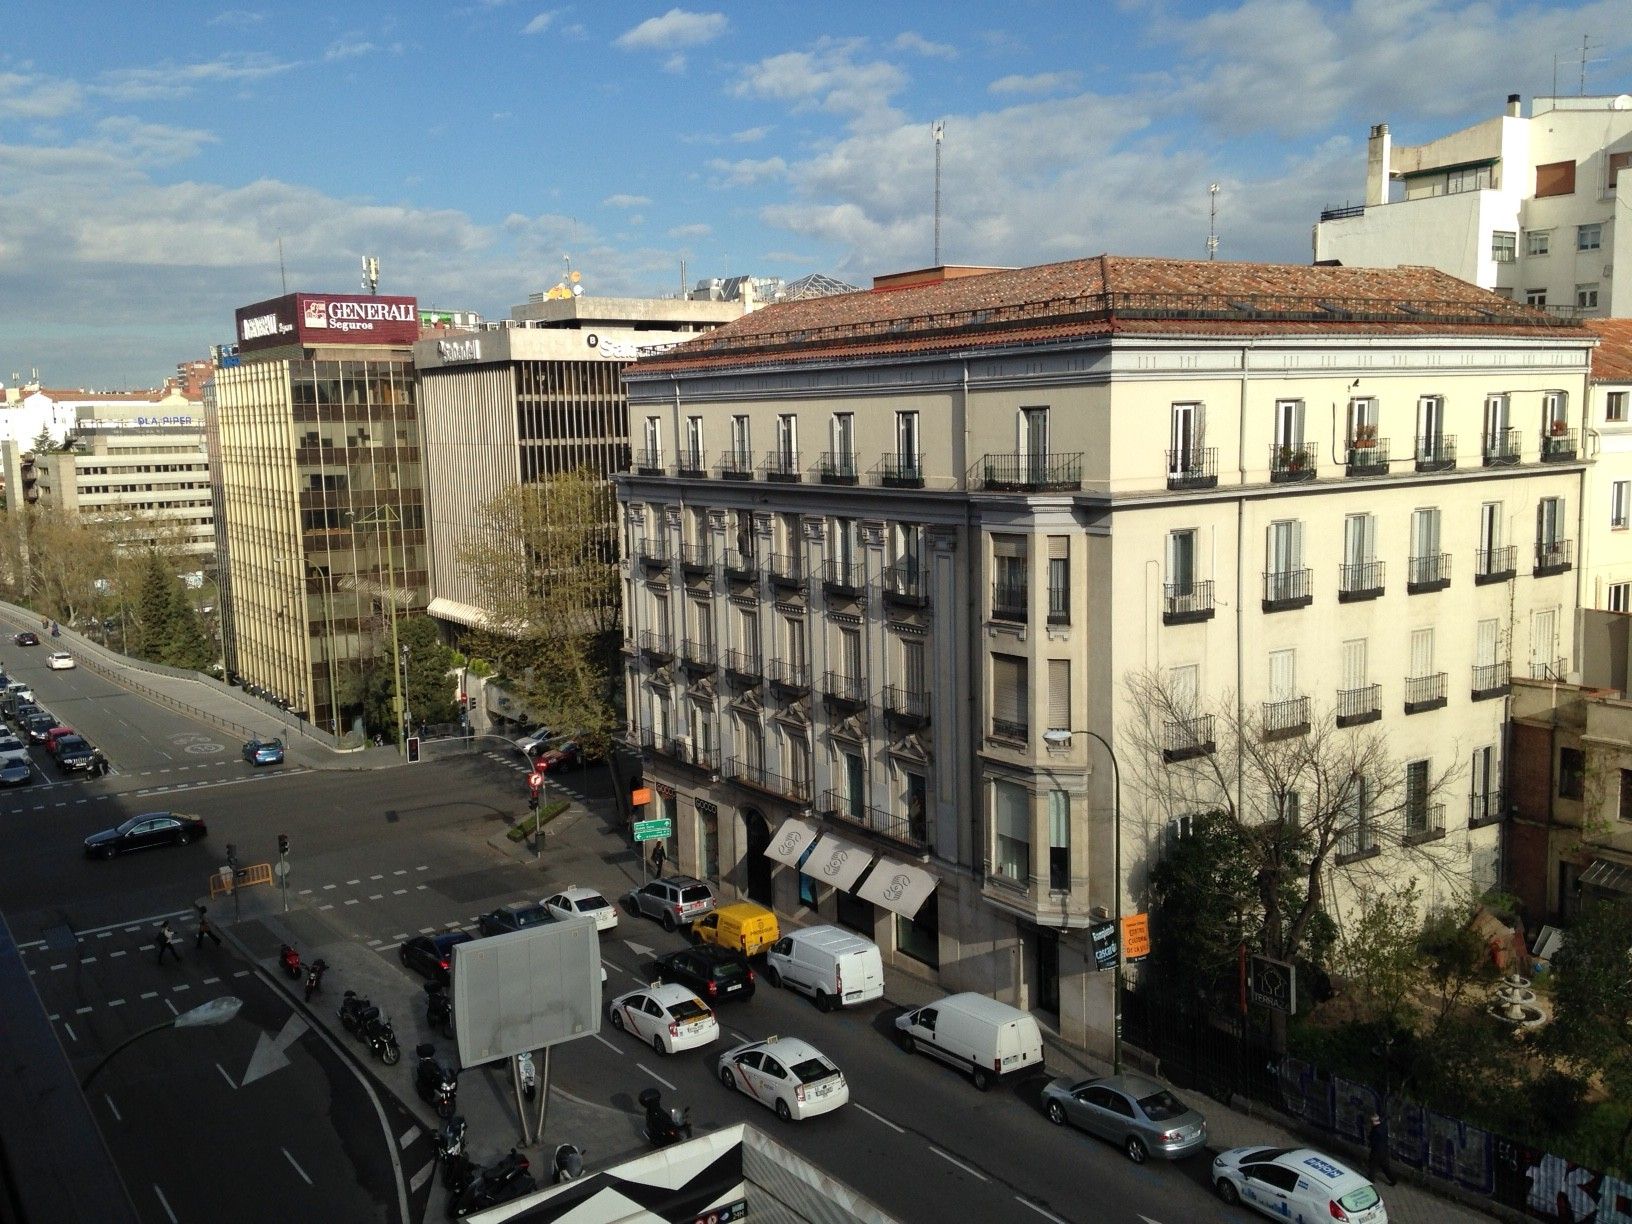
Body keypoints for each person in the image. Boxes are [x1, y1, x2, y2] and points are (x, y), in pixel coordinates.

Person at [1367, 1112, 1397, 1187]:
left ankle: (1371, 1179)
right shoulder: (1383, 1126)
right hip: (1384, 1151)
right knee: (1386, 1167)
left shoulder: (1375, 1130)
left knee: (1372, 1165)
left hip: (1376, 1151)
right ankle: (1393, 1180)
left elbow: (1372, 1139)